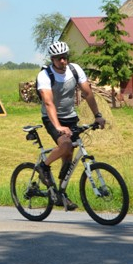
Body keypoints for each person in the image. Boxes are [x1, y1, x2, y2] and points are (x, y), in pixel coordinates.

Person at [36, 41, 106, 211]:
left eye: (65, 57)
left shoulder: (75, 69)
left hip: (70, 117)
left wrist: (97, 115)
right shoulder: (45, 75)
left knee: (68, 156)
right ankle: (43, 167)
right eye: (59, 58)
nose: (63, 61)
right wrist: (58, 126)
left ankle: (61, 193)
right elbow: (48, 102)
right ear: (52, 59)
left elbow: (88, 93)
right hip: (52, 118)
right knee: (66, 144)